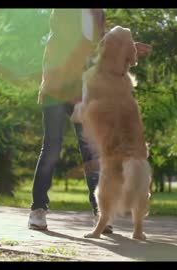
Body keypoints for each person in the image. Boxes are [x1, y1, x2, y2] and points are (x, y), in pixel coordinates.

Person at [28, 9, 151, 232]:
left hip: (83, 92)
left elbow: (101, 45)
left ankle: (101, 213)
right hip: (57, 88)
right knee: (52, 148)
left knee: (92, 152)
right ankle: (38, 210)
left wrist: (129, 48)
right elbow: (71, 48)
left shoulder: (98, 13)